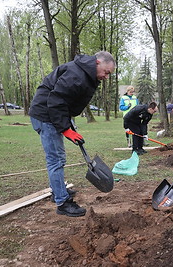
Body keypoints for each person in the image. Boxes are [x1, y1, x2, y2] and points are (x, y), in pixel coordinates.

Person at [29, 51, 115, 217]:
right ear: (97, 62)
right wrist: (65, 128)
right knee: (56, 159)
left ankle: (58, 191)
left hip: (52, 114)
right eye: (106, 72)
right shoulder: (77, 75)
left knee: (58, 159)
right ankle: (62, 202)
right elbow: (55, 101)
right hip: (45, 115)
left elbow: (65, 103)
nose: (106, 77)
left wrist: (69, 125)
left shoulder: (85, 74)